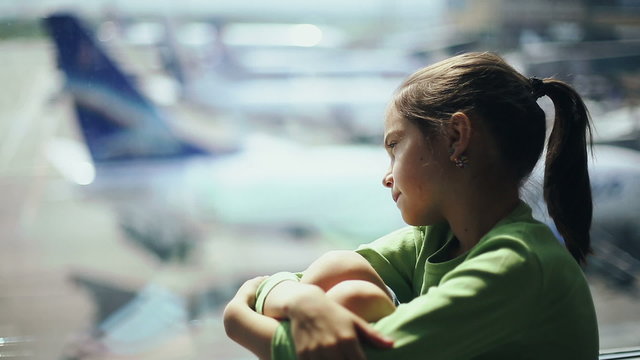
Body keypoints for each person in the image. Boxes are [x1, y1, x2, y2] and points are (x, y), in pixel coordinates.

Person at [223, 52, 599, 360]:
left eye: (394, 146)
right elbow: (272, 289)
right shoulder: (436, 240)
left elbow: (351, 356)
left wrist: (237, 321)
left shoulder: (517, 263)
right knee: (342, 270)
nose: (387, 177)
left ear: (455, 138)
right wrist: (304, 302)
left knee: (354, 300)